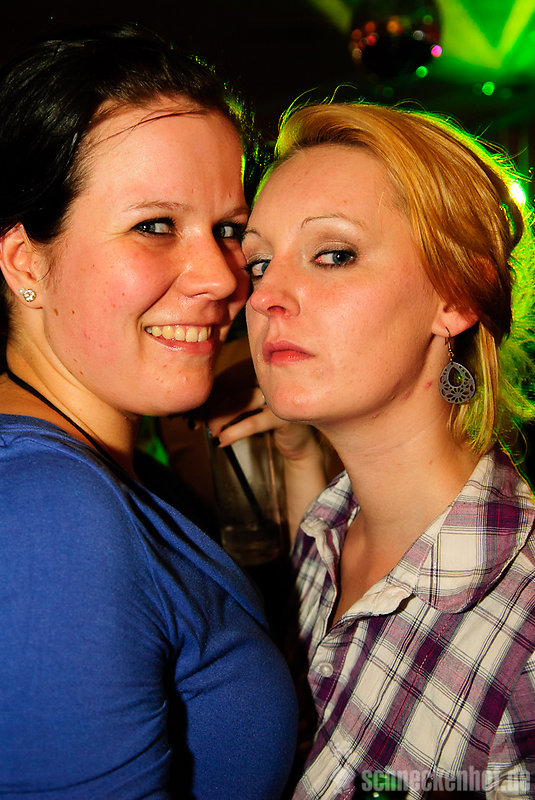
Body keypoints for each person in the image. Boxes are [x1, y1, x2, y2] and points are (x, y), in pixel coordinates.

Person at [0, 24, 298, 798]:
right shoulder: (49, 512)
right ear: (26, 261)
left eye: (227, 230)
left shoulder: (109, 471)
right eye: (154, 226)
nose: (222, 278)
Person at [243, 101, 535, 799]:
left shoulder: (522, 632)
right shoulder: (323, 532)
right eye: (257, 263)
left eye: (333, 254)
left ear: (454, 295)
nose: (264, 296)